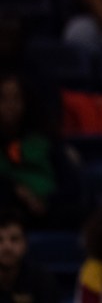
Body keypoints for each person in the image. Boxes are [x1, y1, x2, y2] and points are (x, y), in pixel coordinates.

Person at [0, 74, 55, 225]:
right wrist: (17, 191)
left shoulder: (44, 141)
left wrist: (45, 201)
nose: (10, 105)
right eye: (3, 98)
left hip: (45, 213)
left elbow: (67, 185)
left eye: (16, 98)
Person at [0, 209, 58, 303]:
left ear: (26, 244)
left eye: (14, 239)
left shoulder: (42, 281)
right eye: (0, 240)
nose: (7, 247)